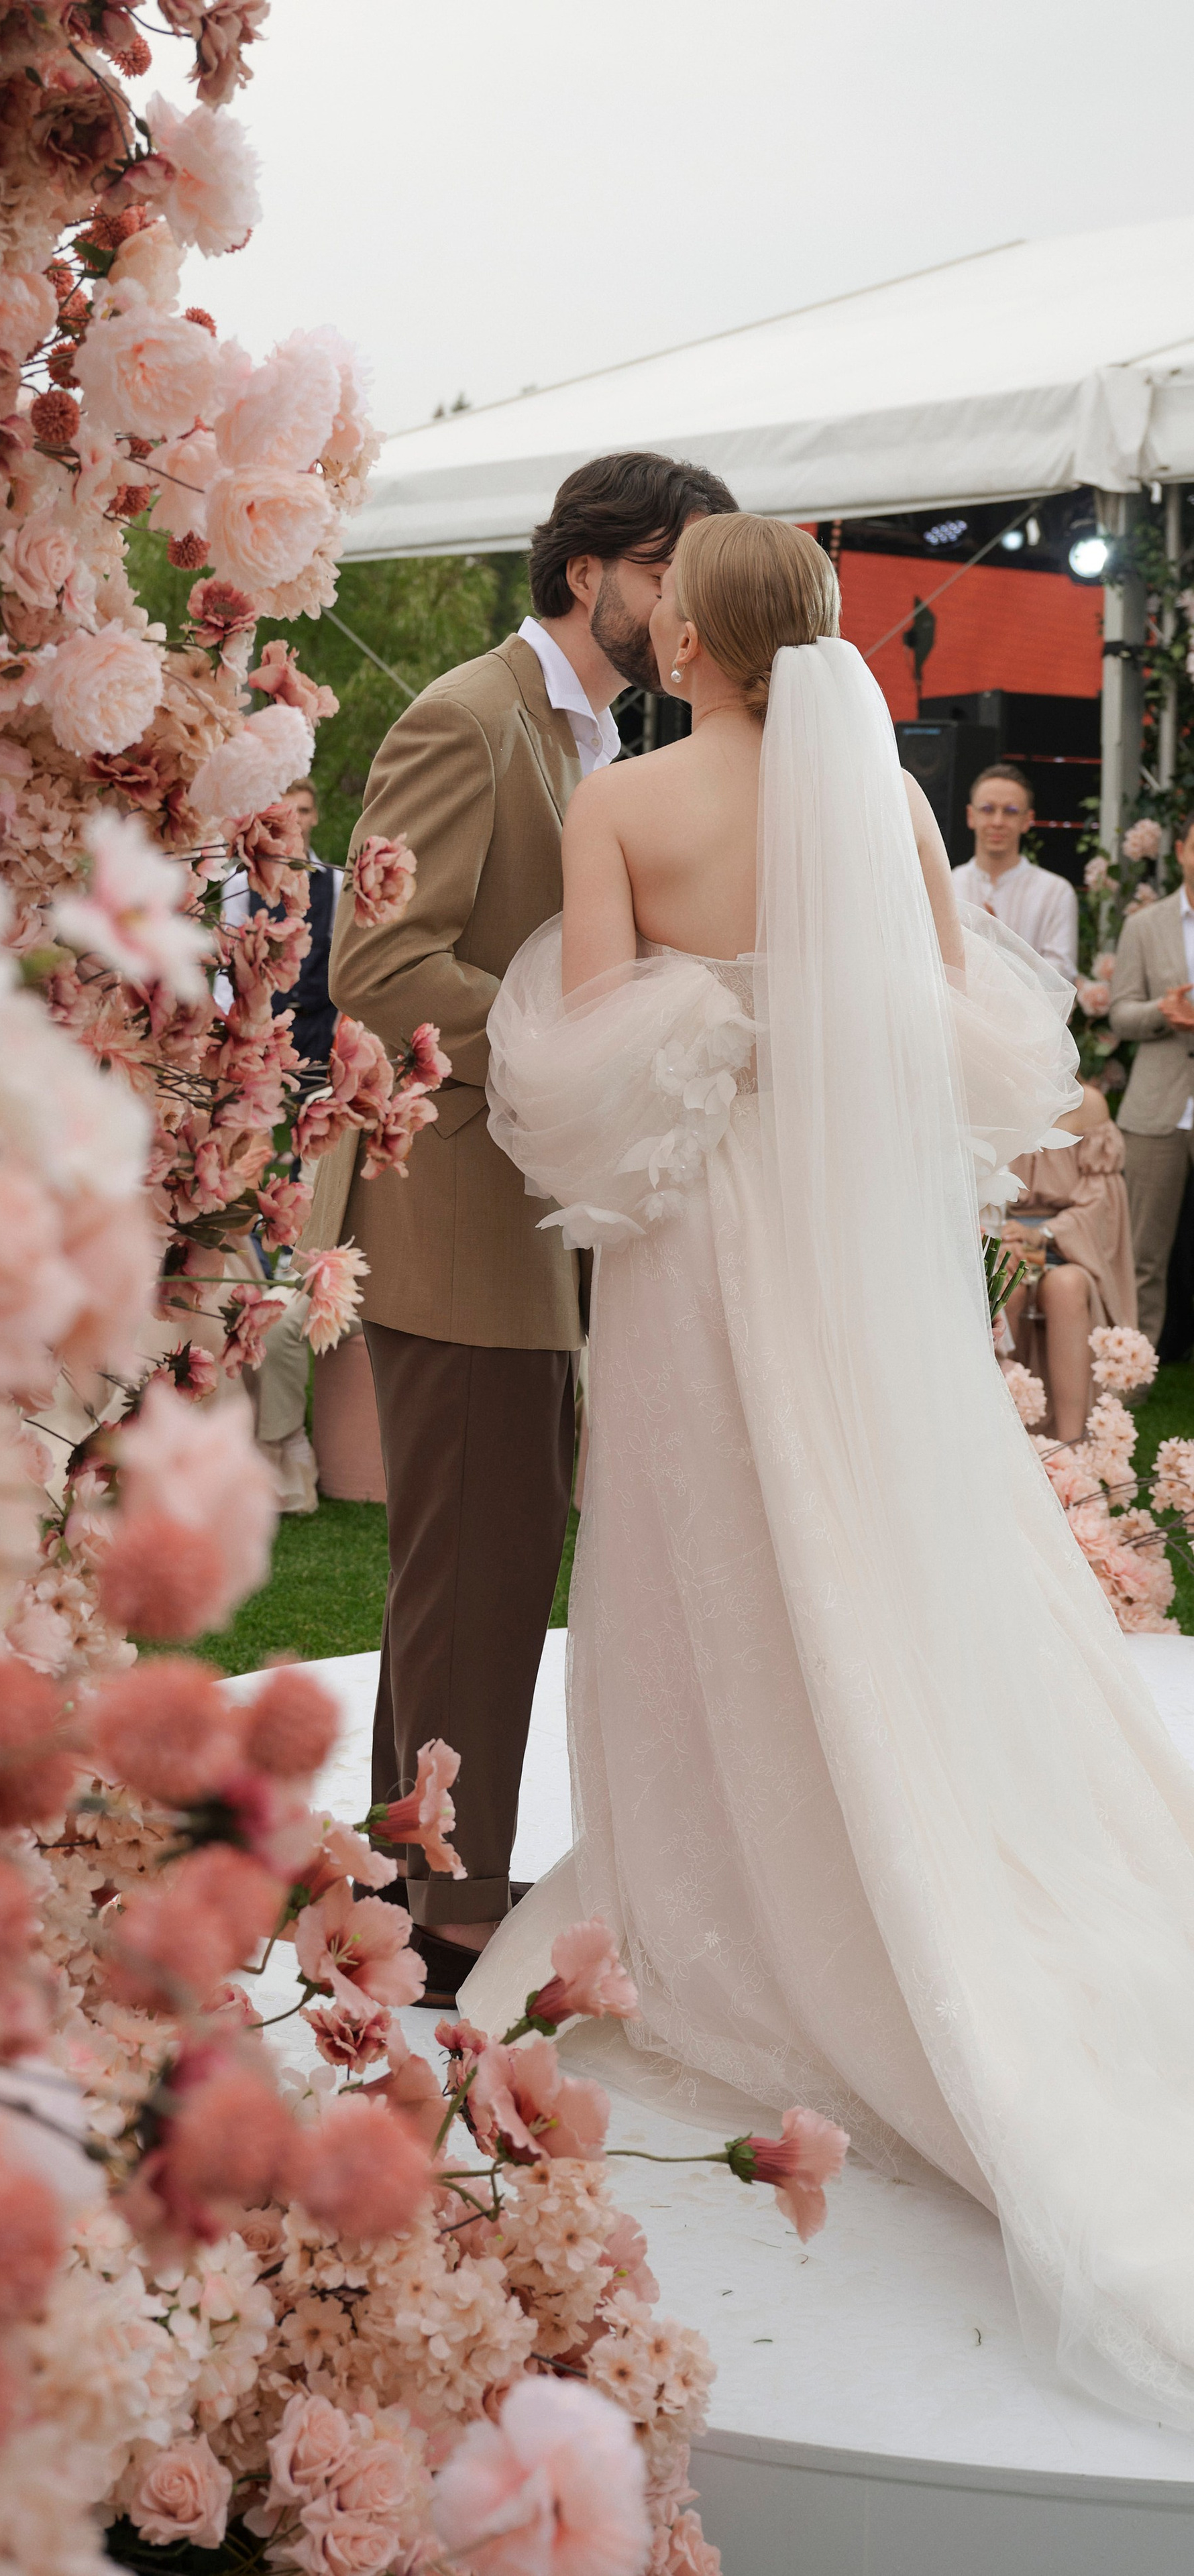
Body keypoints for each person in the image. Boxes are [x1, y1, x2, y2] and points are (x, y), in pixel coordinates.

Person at [470, 511, 1194, 2432]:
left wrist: (711, 1029)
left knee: (700, 1542)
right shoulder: (882, 802)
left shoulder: (627, 810)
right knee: (875, 1522)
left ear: (687, 639)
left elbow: (589, 1062)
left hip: (706, 1241)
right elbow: (959, 1030)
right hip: (848, 1239)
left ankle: (714, 1878)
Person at [316, 451, 739, 2001]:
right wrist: (577, 1028)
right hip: (454, 1225)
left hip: (535, 1223)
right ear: (590, 575)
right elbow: (376, 964)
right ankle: (443, 1919)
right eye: (668, 576)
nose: (683, 609)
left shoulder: (596, 737)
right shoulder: (465, 717)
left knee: (473, 1568)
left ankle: (394, 1874)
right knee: (477, 1573)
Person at [254, 781, 340, 1514]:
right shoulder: (233, 899)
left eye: (302, 814)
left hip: (317, 1095)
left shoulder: (337, 892)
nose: (293, 826)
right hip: (247, 1098)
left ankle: (283, 1449)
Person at [996, 1082, 1135, 1441]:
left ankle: (1071, 1446)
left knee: (1066, 1287)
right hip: (1005, 1237)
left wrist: (1042, 1234)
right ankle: (1007, 1439)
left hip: (1070, 1244)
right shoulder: (992, 1096)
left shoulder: (1088, 1103)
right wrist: (1000, 1238)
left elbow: (1102, 1201)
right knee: (1002, 1284)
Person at [1109, 817, 1194, 1348]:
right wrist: (1163, 1012)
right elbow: (1119, 1015)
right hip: (1157, 1108)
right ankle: (1129, 1376)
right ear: (1182, 850)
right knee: (1142, 1253)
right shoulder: (1145, 925)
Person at [948, 763, 1078, 981]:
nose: (998, 822)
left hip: (1028, 1015)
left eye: (1010, 811)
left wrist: (1005, 949)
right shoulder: (948, 884)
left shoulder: (1055, 892)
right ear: (971, 816)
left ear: (1027, 820)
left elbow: (1062, 978)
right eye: (988, 810)